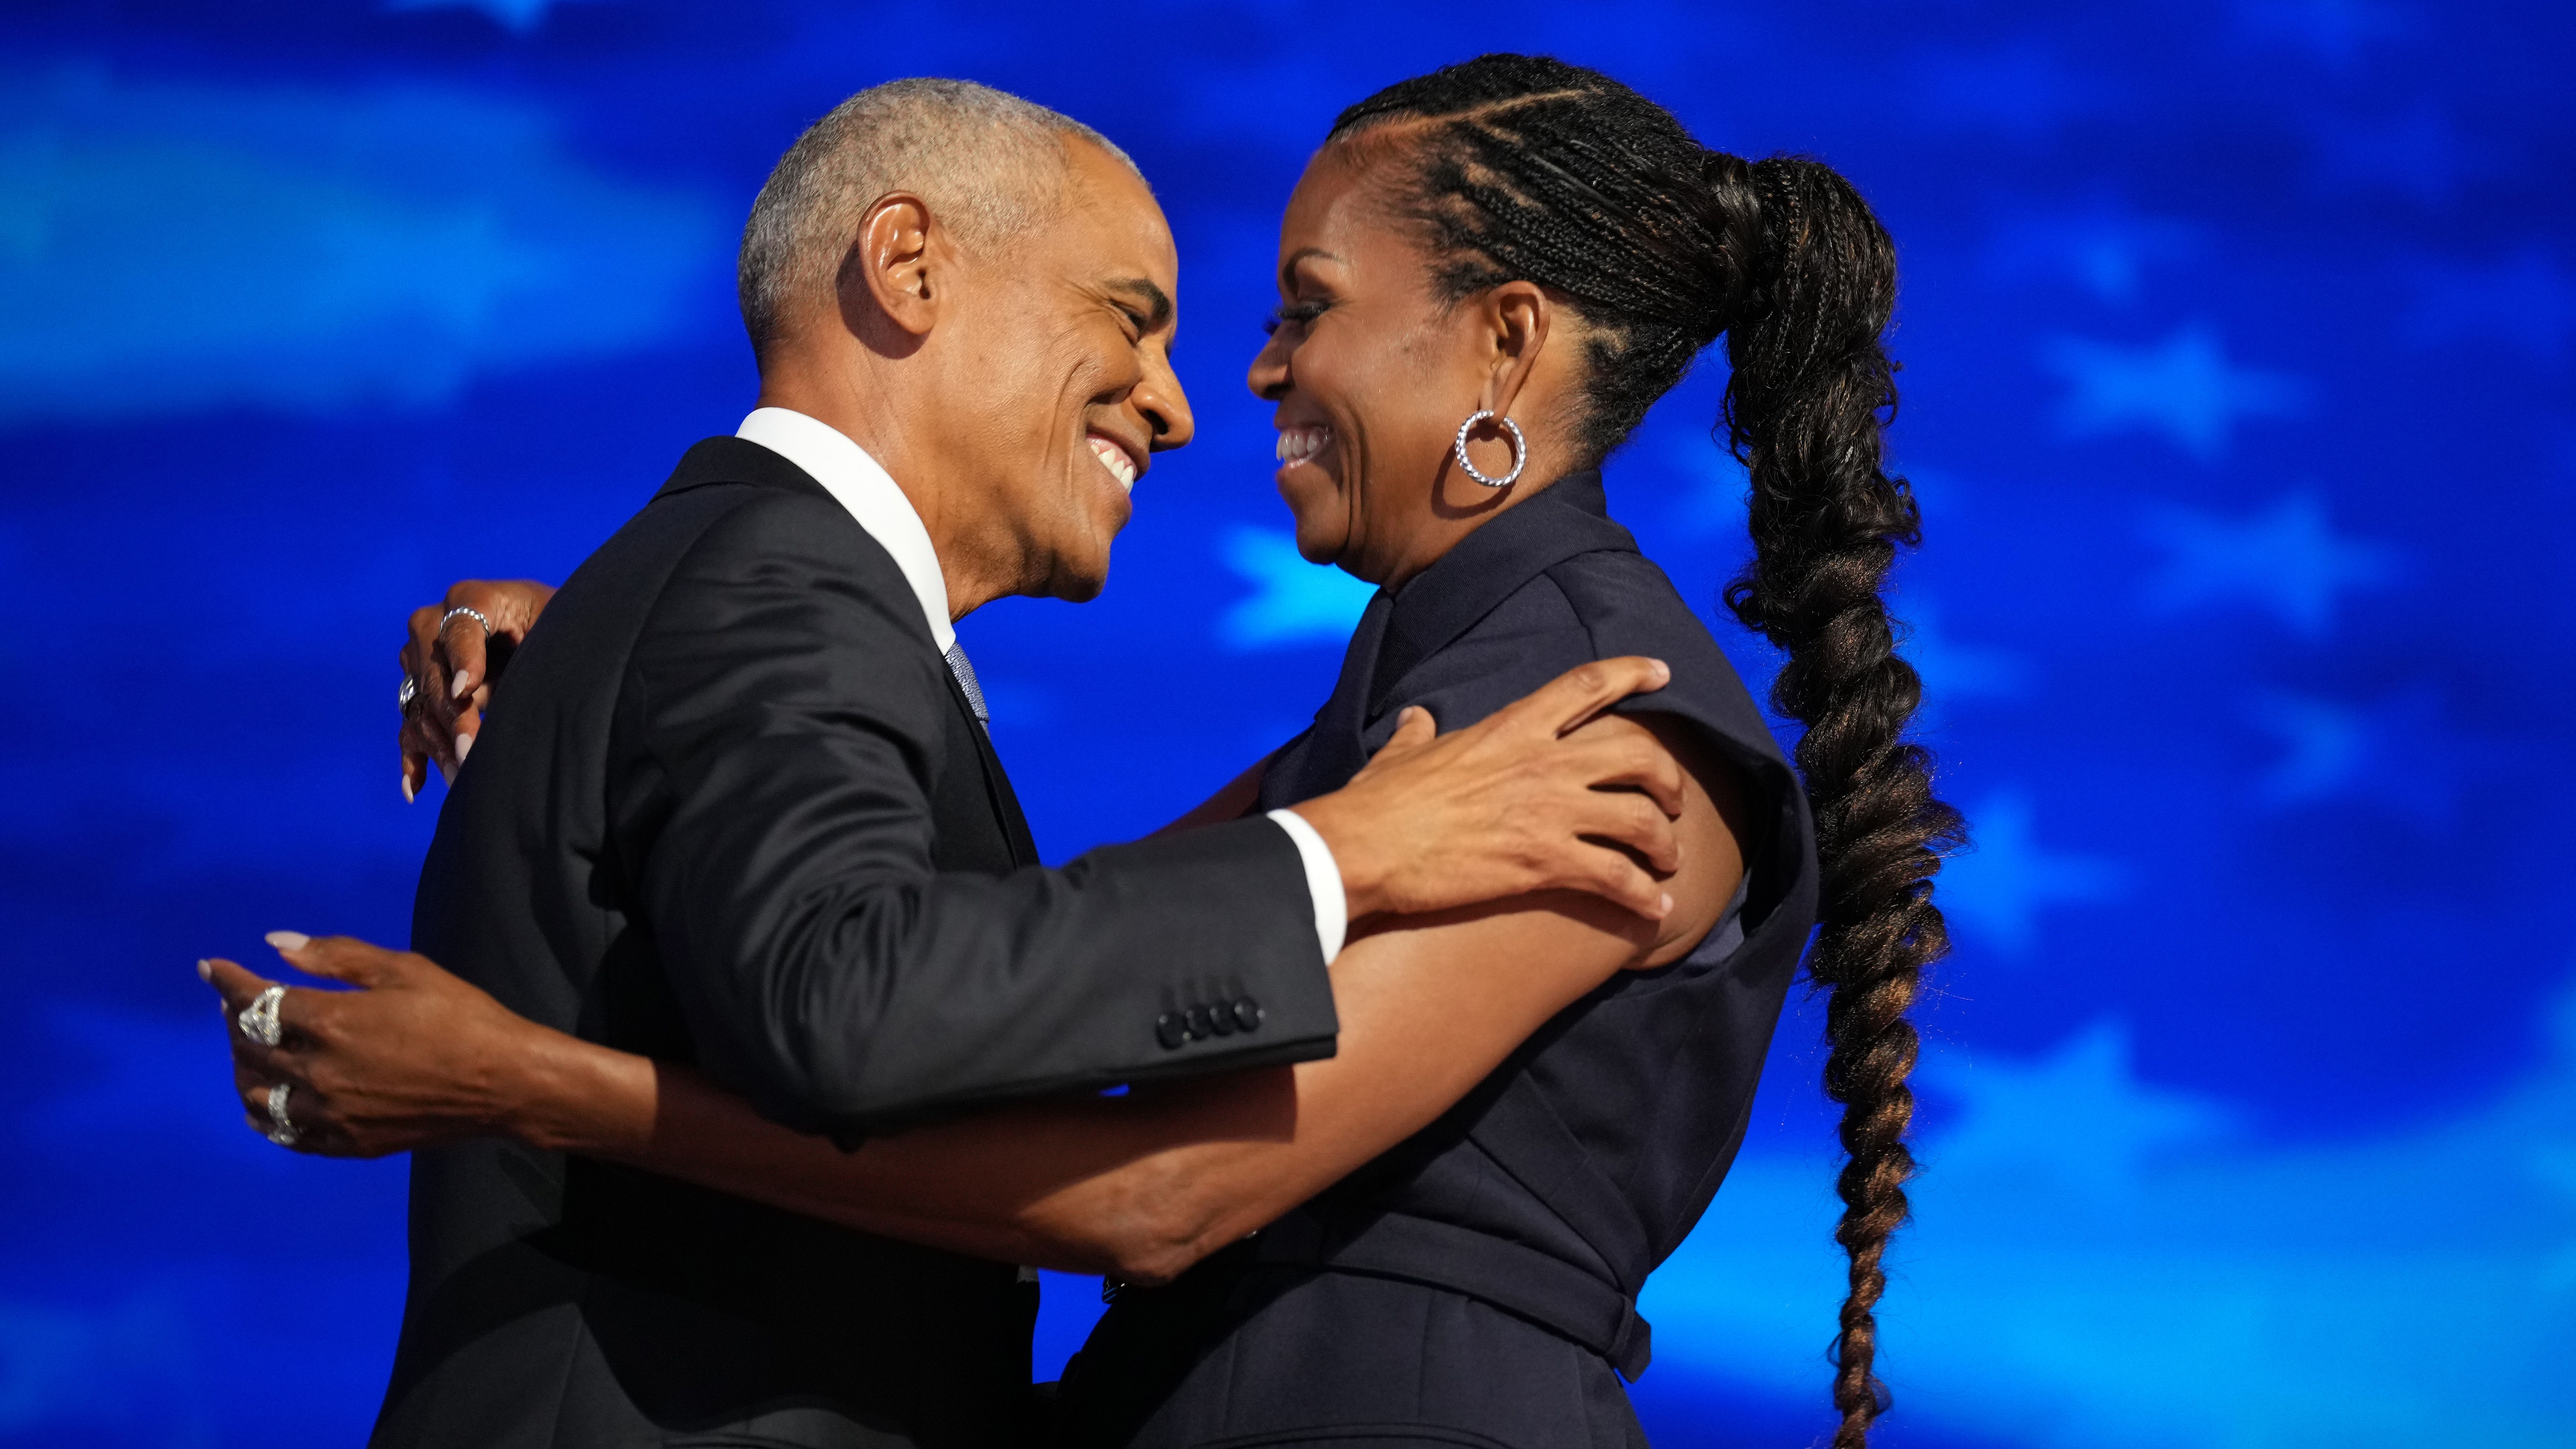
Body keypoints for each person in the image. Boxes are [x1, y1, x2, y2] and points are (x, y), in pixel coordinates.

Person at [214, 54, 1968, 1449]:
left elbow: (1165, 1182)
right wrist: (618, 665)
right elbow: (1012, 966)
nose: (1235, 383)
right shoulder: (1412, 718)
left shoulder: (1587, 726)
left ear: (1504, 340)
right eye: (1157, 320)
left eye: (1303, 305)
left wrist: (538, 1078)